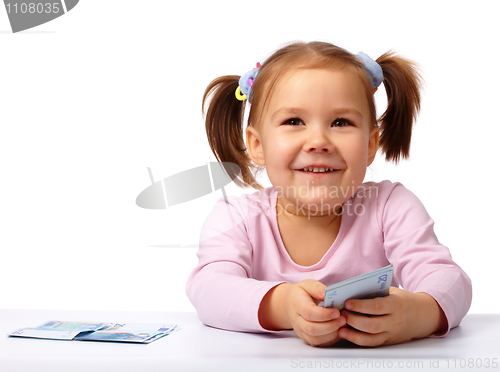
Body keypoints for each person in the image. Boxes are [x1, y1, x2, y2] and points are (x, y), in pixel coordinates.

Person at [186, 41, 472, 347]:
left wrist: (419, 314)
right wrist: (281, 305)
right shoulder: (236, 217)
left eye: (341, 122)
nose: (318, 141)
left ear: (371, 143)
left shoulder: (391, 207)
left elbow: (449, 280)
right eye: (294, 121)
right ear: (257, 145)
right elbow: (208, 289)